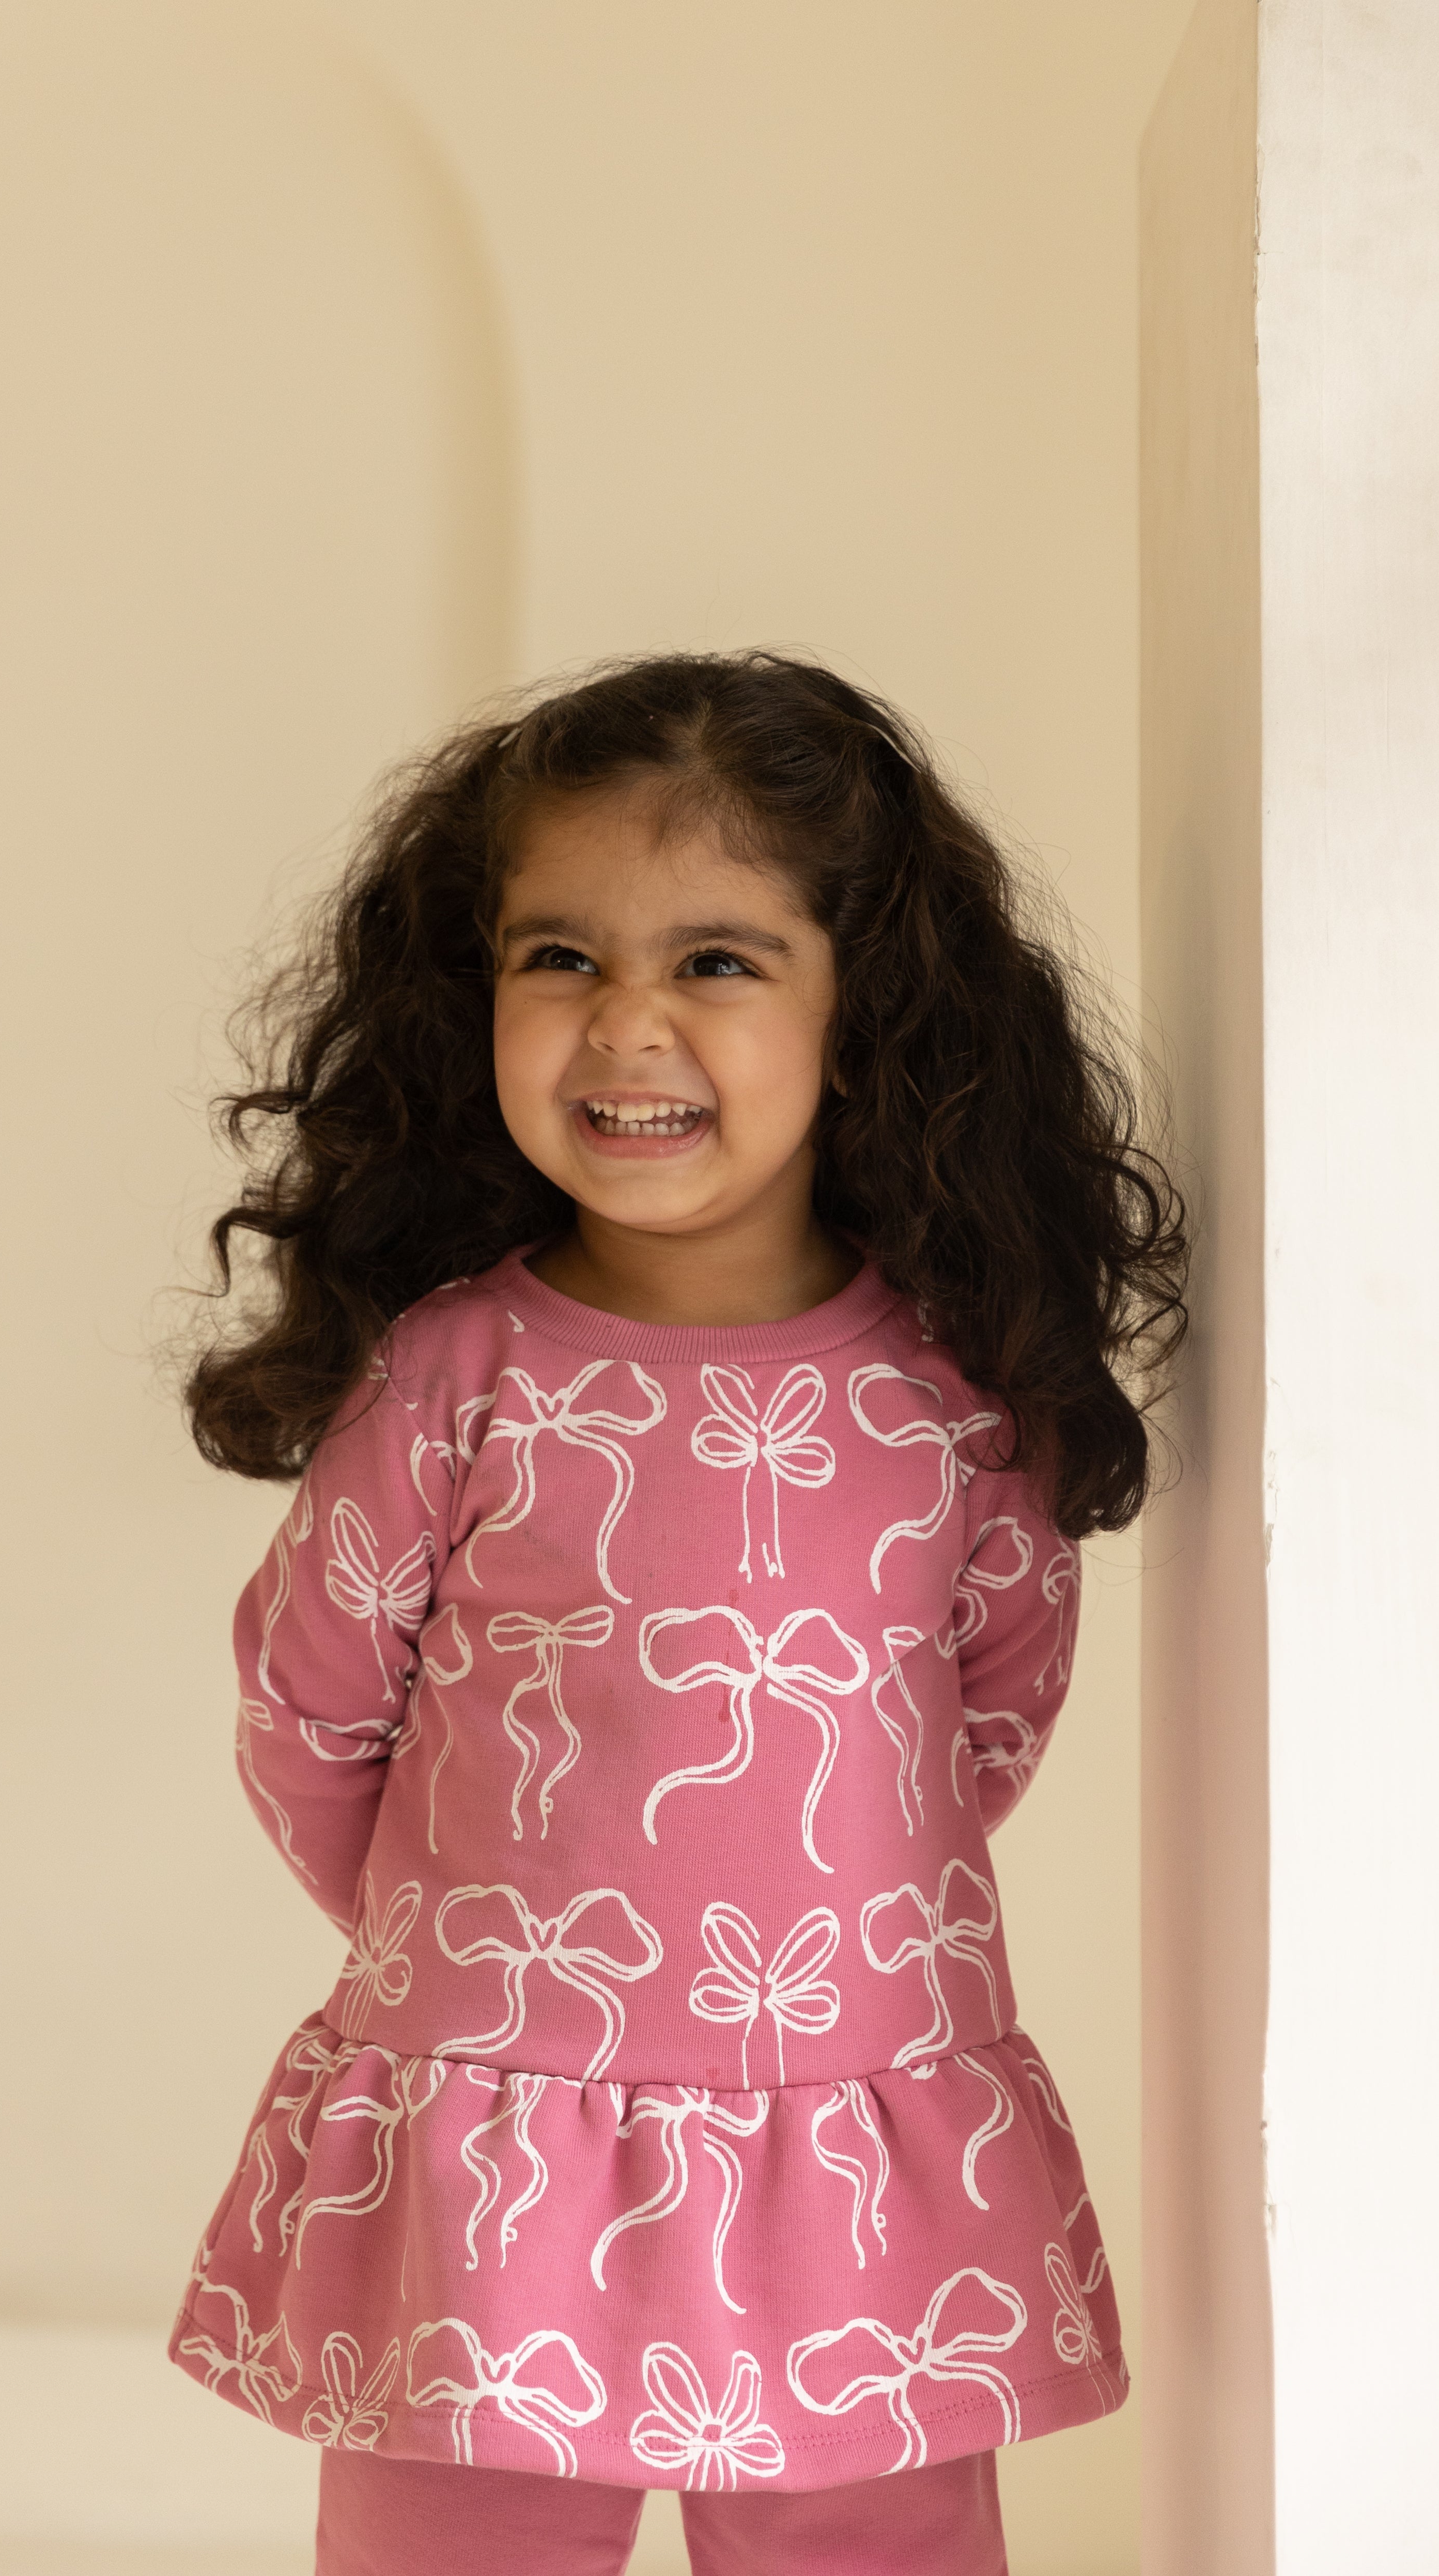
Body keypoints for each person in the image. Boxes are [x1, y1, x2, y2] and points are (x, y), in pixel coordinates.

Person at [167, 652, 1187, 2575]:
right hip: (496, 2157)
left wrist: (803, 1963)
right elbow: (311, 1718)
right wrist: (491, 1980)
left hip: (856, 2157)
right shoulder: (457, 1374)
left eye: (717, 961)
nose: (626, 1026)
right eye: (561, 957)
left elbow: (985, 1715)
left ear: (858, 1007)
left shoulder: (952, 1398)